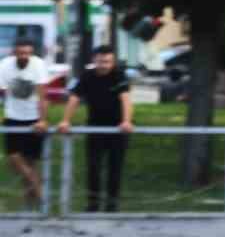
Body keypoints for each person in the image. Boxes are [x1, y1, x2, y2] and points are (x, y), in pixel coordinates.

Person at [57, 45, 133, 212]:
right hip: (95, 127)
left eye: (108, 62)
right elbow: (74, 98)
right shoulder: (87, 76)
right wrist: (65, 121)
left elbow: (125, 99)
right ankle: (93, 204)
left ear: (113, 62)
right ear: (94, 60)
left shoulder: (119, 75)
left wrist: (126, 121)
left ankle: (112, 205)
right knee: (94, 167)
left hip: (118, 129)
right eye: (101, 61)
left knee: (115, 167)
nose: (104, 65)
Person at [0, 38, 51, 209]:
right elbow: (2, 92)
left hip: (33, 118)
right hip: (13, 117)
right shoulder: (5, 66)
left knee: (30, 163)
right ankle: (41, 195)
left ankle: (30, 207)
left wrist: (43, 120)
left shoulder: (38, 65)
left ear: (32, 53)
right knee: (14, 157)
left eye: (27, 53)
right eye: (21, 53)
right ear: (14, 52)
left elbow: (43, 97)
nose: (24, 56)